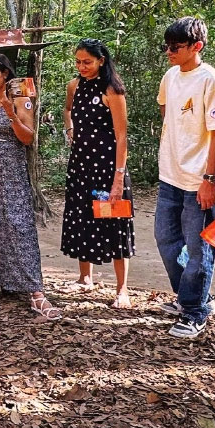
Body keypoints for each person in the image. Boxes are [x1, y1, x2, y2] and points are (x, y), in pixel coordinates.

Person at [0, 54, 60, 318]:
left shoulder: (21, 96)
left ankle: (35, 290)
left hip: (11, 169)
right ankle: (1, 282)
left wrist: (10, 114)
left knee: (16, 225)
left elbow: (27, 138)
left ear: (5, 73)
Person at [154, 17, 215, 339]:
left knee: (199, 249)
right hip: (170, 174)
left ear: (196, 47)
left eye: (176, 47)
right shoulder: (170, 76)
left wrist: (209, 178)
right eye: (166, 46)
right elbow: (165, 111)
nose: (169, 52)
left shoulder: (211, 80)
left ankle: (195, 311)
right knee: (166, 240)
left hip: (201, 179)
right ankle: (194, 298)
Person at [60, 39, 136, 308]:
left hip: (107, 169)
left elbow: (122, 135)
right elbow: (67, 109)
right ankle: (85, 278)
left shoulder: (112, 90)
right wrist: (70, 130)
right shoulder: (74, 85)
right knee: (82, 217)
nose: (81, 67)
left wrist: (118, 177)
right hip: (81, 166)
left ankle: (122, 289)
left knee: (114, 222)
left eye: (87, 62)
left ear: (101, 61)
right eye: (78, 62)